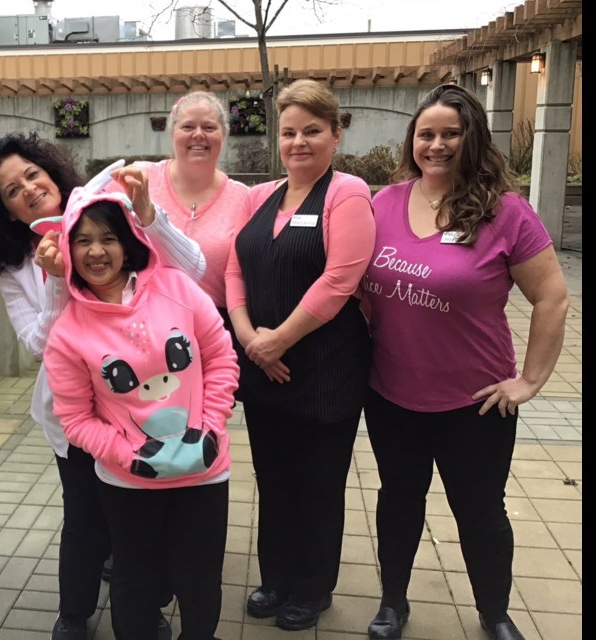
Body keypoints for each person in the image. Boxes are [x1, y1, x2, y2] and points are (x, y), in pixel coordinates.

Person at [0, 133, 202, 640]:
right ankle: (75, 610)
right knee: (85, 516)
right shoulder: (17, 266)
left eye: (31, 175)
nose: (27, 189)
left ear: (52, 173)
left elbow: (194, 270)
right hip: (75, 417)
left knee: (140, 515)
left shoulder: (108, 218)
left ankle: (145, 605)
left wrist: (148, 214)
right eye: (10, 191)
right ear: (5, 211)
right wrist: (53, 279)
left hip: (144, 404)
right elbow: (39, 347)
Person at [361, 83, 569, 640]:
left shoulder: (508, 212)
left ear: (471, 137)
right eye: (426, 134)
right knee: (398, 501)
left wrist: (530, 381)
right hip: (390, 395)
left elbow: (552, 297)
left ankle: (494, 613)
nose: (436, 145)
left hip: (475, 403)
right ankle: (392, 604)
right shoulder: (384, 204)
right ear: (412, 141)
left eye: (450, 133)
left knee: (480, 511)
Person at [43, 185, 239, 640]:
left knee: (200, 581)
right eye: (83, 239)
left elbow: (222, 359)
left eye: (108, 237)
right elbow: (75, 419)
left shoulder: (176, 288)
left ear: (128, 240)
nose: (96, 251)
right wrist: (127, 456)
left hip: (204, 472)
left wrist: (209, 428)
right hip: (128, 481)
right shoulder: (68, 331)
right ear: (68, 249)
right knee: (134, 583)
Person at [224, 79, 376, 630]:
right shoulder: (259, 195)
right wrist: (249, 340)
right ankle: (276, 577)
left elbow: (339, 280)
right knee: (274, 478)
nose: (299, 142)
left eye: (312, 130)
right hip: (264, 368)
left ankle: (312, 589)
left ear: (335, 134)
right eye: (289, 132)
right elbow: (234, 268)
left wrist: (277, 340)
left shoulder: (348, 193)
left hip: (324, 370)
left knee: (317, 483)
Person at [136, 91, 249, 327]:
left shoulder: (244, 198)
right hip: (143, 322)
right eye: (188, 127)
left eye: (209, 127)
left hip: (218, 327)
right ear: (173, 133)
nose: (198, 135)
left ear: (223, 135)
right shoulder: (141, 179)